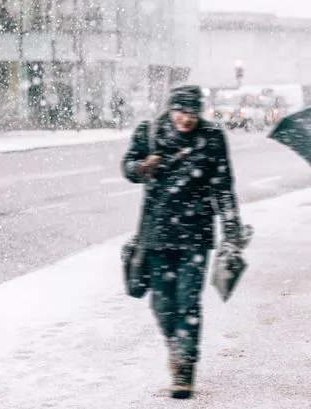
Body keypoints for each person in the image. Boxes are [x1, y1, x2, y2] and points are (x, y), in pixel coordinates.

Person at [121, 86, 245, 399]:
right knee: (162, 304)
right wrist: (140, 167)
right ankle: (175, 344)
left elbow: (224, 188)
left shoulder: (212, 137)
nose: (186, 119)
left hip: (196, 235)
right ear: (171, 109)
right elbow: (127, 166)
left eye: (192, 113)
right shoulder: (150, 132)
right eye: (181, 112)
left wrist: (231, 231)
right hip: (156, 234)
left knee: (188, 302)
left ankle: (184, 366)